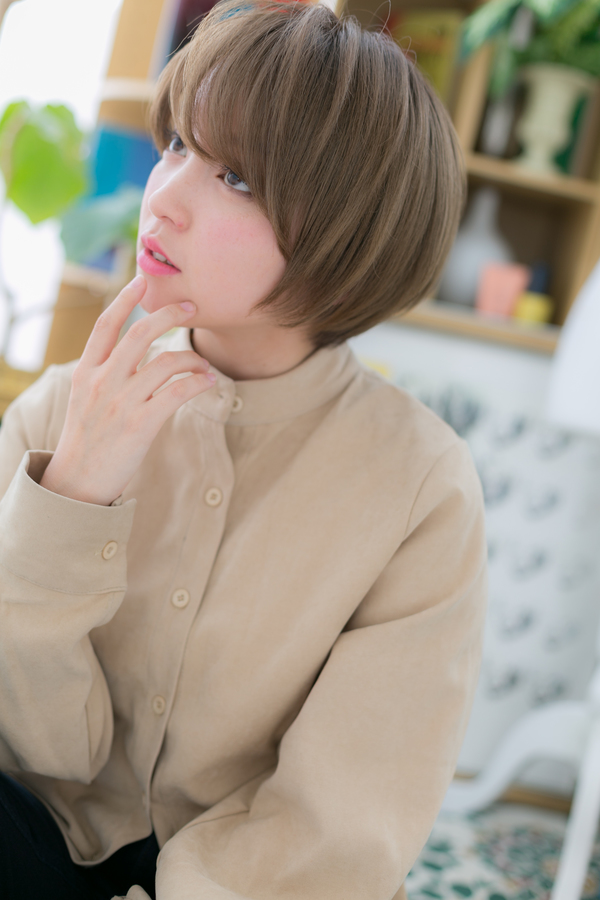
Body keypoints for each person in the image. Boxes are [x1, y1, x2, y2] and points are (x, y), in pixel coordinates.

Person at [0, 2, 487, 898]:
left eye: (236, 179)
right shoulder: (63, 409)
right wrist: (69, 497)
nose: (164, 197)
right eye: (177, 144)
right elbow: (38, 755)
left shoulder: (421, 489)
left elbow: (337, 826)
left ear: (347, 234)